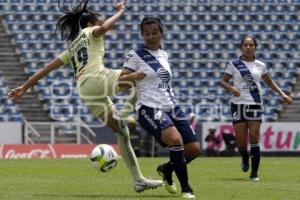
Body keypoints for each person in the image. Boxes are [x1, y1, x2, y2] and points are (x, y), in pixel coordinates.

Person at [7, 0, 163, 192]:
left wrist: (24, 87)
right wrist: (121, 11)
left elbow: (46, 68)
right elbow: (105, 27)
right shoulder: (90, 32)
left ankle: (139, 180)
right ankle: (129, 110)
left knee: (122, 131)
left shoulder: (72, 46)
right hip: (96, 79)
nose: (102, 20)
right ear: (90, 24)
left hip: (85, 90)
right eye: (99, 18)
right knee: (141, 76)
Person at [118, 16, 200, 199]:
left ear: (161, 32)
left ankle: (166, 169)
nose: (151, 36)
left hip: (172, 106)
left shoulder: (163, 54)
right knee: (176, 140)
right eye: (146, 33)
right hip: (149, 107)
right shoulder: (136, 54)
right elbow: (120, 82)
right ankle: (186, 189)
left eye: (154, 32)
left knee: (194, 149)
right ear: (142, 35)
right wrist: (134, 76)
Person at [220, 35, 293, 181]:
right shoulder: (233, 64)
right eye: (245, 45)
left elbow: (270, 82)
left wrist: (282, 94)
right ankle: (245, 156)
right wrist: (231, 88)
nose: (248, 47)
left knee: (254, 137)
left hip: (255, 104)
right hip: (238, 105)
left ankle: (254, 173)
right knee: (241, 144)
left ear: (255, 47)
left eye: (251, 45)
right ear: (241, 47)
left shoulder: (260, 65)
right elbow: (222, 82)